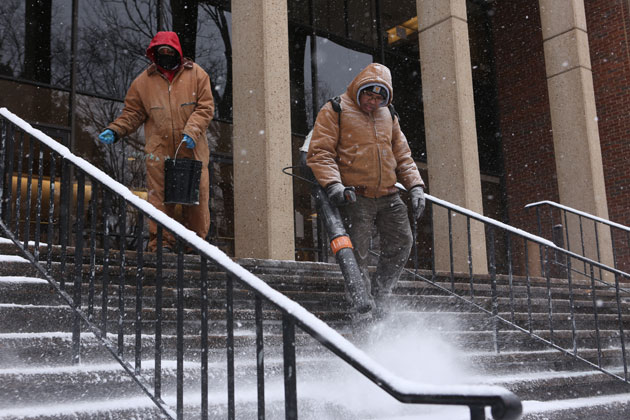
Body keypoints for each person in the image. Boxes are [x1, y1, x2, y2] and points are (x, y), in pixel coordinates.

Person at [307, 63, 425, 315]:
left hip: (389, 195)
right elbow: (320, 153)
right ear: (359, 89)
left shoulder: (389, 115)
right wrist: (334, 185)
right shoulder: (335, 108)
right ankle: (360, 305)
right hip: (355, 195)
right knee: (357, 254)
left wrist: (415, 186)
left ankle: (382, 293)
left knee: (402, 242)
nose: (373, 102)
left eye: (379, 98)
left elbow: (403, 155)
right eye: (369, 96)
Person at [98, 31, 214, 253]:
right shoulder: (143, 82)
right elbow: (132, 112)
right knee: (159, 198)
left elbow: (205, 107)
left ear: (178, 53)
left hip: (192, 149)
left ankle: (197, 244)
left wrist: (192, 130)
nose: (166, 55)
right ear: (154, 54)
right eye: (161, 52)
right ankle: (161, 243)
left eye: (170, 52)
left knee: (197, 196)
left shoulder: (197, 75)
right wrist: (115, 130)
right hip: (159, 150)